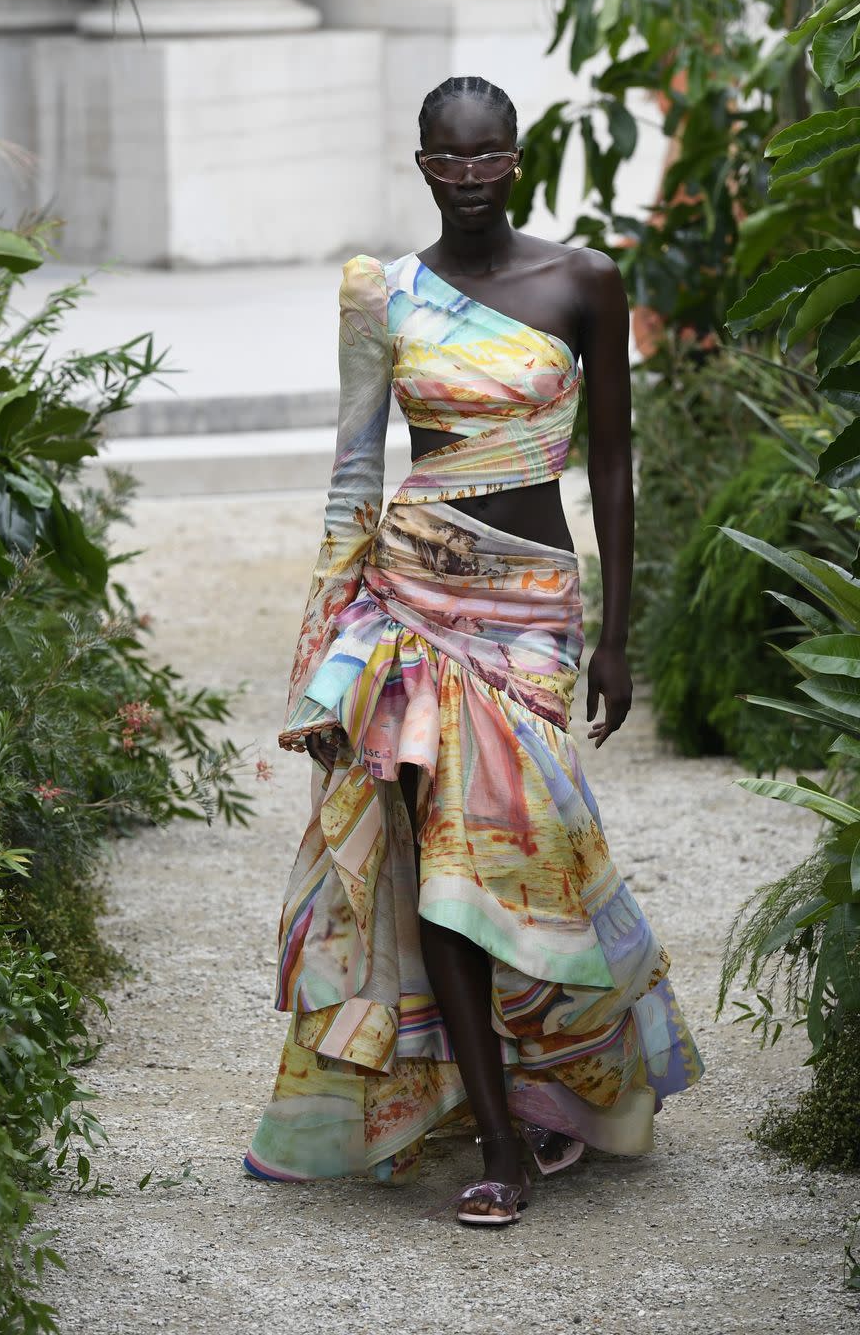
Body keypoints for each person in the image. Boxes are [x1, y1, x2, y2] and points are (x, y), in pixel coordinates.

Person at [244, 74, 703, 1226]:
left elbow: (609, 467)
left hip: (533, 607)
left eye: (486, 155)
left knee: (530, 849)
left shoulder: (583, 281)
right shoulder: (382, 295)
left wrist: (615, 634)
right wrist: (325, 651)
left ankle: (554, 1088)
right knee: (437, 849)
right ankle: (496, 1139)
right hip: (410, 595)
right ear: (420, 165)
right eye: (445, 160)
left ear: (516, 157)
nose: (466, 176)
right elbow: (355, 472)